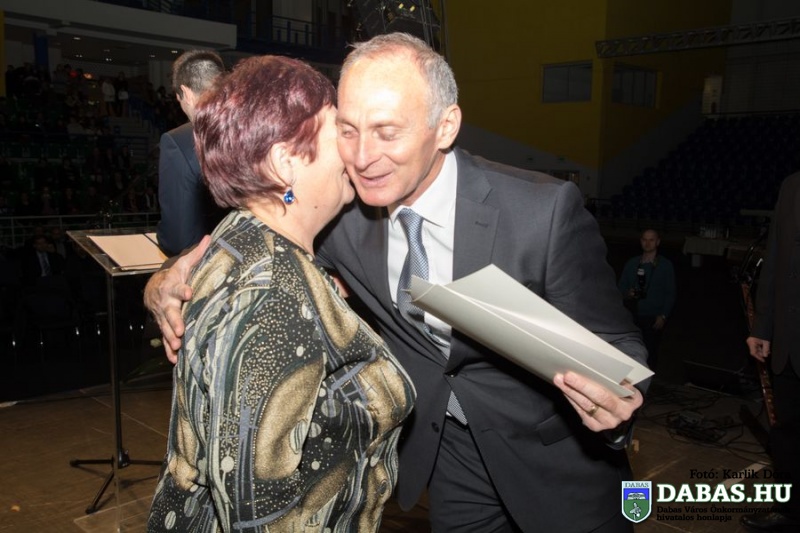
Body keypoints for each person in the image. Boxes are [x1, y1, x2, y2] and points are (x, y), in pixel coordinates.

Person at [146, 33, 647, 532]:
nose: (363, 157)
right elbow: (249, 236)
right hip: (449, 461)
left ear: (445, 126)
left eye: (387, 132)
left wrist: (617, 403)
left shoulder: (541, 213)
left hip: (556, 463)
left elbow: (617, 342)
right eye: (347, 130)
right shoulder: (341, 214)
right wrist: (162, 282)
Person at [146, 55, 415, 532]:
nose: (353, 152)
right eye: (338, 132)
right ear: (284, 161)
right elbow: (259, 512)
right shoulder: (272, 298)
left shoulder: (239, 234)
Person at [741, 172, 800, 532]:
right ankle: (790, 511)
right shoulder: (791, 185)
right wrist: (762, 326)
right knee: (788, 433)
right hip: (790, 342)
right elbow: (775, 256)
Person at [155, 50, 226, 256]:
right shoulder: (255, 127)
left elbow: (179, 240)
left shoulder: (180, 141)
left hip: (209, 261)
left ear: (185, 93)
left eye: (178, 99)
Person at [618, 228, 676, 370]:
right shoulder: (632, 263)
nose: (647, 243)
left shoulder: (665, 265)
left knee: (650, 350)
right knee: (631, 349)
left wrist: (663, 315)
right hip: (632, 315)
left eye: (651, 240)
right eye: (644, 239)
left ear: (658, 242)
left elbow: (670, 293)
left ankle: (649, 377)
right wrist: (628, 293)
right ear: (640, 241)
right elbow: (620, 288)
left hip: (653, 316)